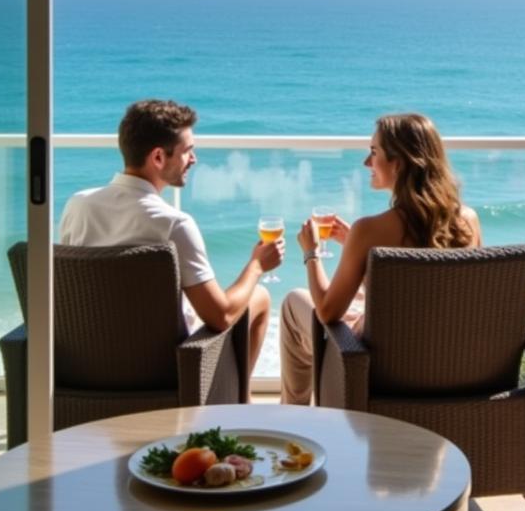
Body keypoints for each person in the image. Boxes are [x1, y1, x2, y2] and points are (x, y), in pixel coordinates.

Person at [60, 99, 280, 373]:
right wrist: (257, 265)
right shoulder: (174, 225)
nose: (194, 159)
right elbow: (221, 316)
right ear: (158, 158)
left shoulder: (77, 205)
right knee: (259, 296)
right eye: (187, 151)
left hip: (87, 367)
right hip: (162, 372)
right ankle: (236, 402)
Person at [279, 112, 482, 404]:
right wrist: (356, 246)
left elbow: (327, 311)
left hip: (376, 369)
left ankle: (293, 418)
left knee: (292, 304)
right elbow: (435, 291)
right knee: (363, 303)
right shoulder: (469, 221)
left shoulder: (370, 230)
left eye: (374, 153)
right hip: (448, 364)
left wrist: (311, 253)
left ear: (397, 164)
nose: (366, 162)